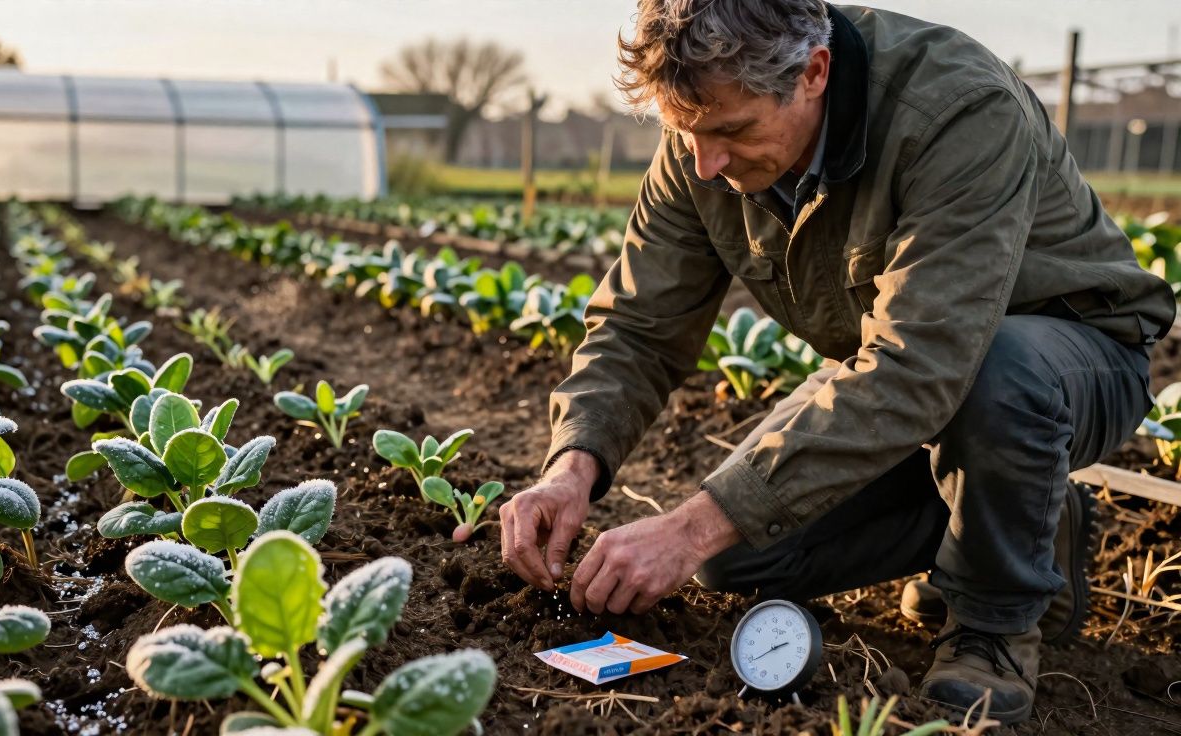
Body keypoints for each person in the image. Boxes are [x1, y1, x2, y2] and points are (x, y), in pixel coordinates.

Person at [498, 0, 1175, 725]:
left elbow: (924, 364)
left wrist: (690, 524)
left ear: (814, 72)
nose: (707, 163)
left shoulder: (956, 110)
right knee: (735, 556)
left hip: (1069, 357)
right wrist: (573, 466)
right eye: (686, 133)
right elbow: (639, 324)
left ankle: (995, 622)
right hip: (901, 376)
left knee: (998, 373)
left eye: (730, 131)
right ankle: (1020, 515)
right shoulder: (702, 138)